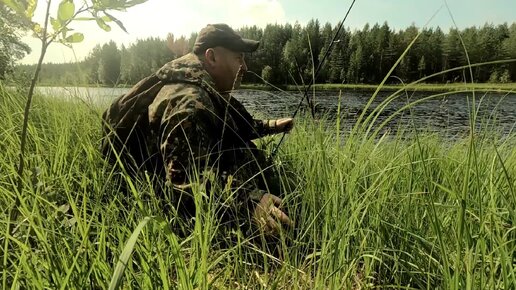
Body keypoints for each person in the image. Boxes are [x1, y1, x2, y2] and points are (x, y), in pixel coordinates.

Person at [101, 23, 294, 236]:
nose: (245, 67)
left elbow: (239, 126)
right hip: (172, 211)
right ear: (211, 57)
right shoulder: (190, 105)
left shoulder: (210, 89)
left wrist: (272, 126)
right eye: (239, 58)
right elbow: (185, 183)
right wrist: (251, 201)